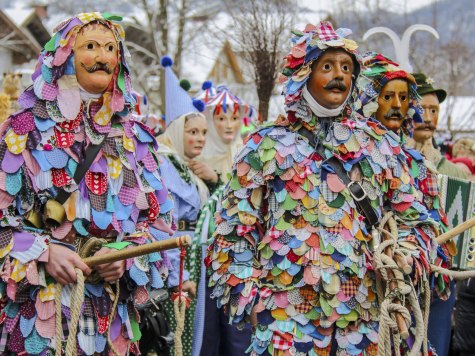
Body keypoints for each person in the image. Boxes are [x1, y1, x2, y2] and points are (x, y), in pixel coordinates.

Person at [206, 21, 443, 355]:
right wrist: (252, 299)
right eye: (327, 66)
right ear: (304, 73)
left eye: (347, 68)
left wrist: (404, 253)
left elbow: (414, 219)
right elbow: (232, 230)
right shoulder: (264, 146)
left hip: (363, 322)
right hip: (286, 320)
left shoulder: (380, 145)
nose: (340, 76)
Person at [0, 13, 175, 355]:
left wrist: (126, 255)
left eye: (111, 48)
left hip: (113, 322)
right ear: (63, 56)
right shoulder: (22, 130)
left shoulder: (135, 138)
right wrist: (44, 252)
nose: (103, 57)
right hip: (40, 317)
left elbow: (159, 225)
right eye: (90, 46)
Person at [355, 55, 455, 355]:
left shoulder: (418, 166)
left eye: (402, 98)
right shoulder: (347, 160)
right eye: (387, 97)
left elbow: (432, 226)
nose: (397, 105)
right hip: (355, 290)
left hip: (408, 289)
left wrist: (412, 256)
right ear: (368, 100)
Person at [190, 82, 253, 356]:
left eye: (235, 118)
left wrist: (218, 179)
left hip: (240, 259)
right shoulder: (194, 157)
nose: (229, 125)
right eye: (221, 118)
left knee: (238, 331)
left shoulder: (247, 154)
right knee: (209, 331)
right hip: (205, 260)